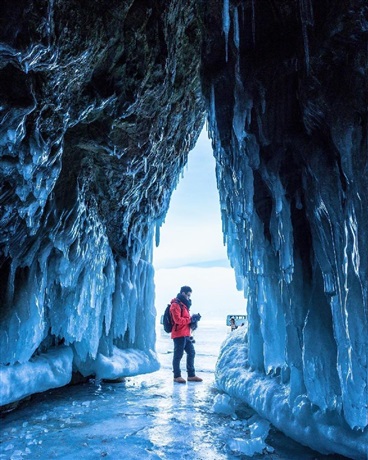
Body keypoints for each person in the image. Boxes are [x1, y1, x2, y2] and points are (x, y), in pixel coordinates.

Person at [169, 285, 202, 384]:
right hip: (179, 334)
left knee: (191, 353)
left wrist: (193, 320)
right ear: (183, 293)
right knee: (178, 355)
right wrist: (190, 319)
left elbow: (186, 320)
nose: (189, 297)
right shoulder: (175, 305)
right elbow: (177, 320)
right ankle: (177, 376)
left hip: (186, 334)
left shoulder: (184, 305)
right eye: (188, 295)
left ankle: (191, 375)